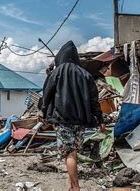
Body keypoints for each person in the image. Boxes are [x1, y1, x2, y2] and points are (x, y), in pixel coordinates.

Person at [41, 41, 105, 191]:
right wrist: (100, 120)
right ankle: (70, 185)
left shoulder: (56, 73)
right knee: (73, 152)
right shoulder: (85, 74)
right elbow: (94, 101)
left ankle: (76, 188)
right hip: (81, 120)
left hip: (63, 119)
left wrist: (44, 113)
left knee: (69, 154)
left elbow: (47, 96)